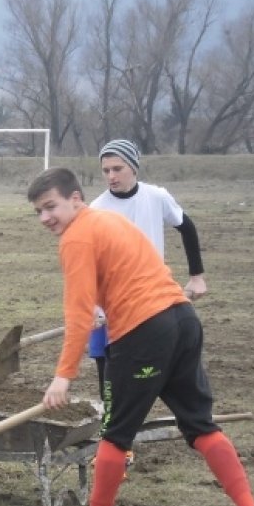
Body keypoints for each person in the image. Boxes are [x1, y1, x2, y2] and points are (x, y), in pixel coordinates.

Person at [27, 166, 254, 506]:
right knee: (200, 424)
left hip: (143, 335)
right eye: (38, 211)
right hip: (183, 320)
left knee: (116, 432)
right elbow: (134, 277)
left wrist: (63, 376)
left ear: (75, 198)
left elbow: (76, 315)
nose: (45, 218)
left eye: (50, 206)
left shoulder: (75, 238)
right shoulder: (110, 221)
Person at [88, 140, 210, 470]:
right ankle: (116, 441)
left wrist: (196, 275)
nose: (111, 176)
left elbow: (187, 227)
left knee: (167, 368)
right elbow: (92, 264)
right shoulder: (97, 210)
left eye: (117, 169)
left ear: (134, 167)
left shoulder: (156, 197)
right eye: (105, 170)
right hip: (113, 304)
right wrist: (94, 306)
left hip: (154, 301)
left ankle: (198, 426)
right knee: (107, 367)